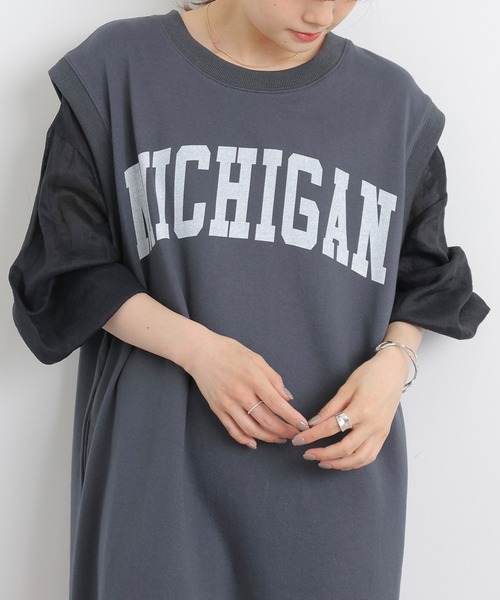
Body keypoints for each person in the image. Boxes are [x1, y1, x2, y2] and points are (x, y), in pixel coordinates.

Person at [9, 0, 489, 598]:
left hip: (332, 493)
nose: (323, 13)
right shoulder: (118, 71)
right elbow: (67, 264)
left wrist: (394, 367)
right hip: (159, 481)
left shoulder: (394, 109)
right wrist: (200, 351)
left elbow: (426, 275)